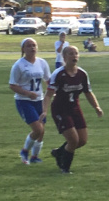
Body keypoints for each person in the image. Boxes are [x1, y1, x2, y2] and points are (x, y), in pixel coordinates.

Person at [43, 45, 103, 174]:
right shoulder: (58, 74)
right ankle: (65, 168)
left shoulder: (82, 74)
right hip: (60, 109)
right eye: (70, 54)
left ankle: (59, 152)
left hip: (75, 108)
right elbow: (48, 94)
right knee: (73, 140)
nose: (74, 56)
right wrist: (44, 111)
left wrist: (96, 107)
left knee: (82, 140)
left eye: (76, 53)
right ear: (64, 57)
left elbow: (88, 92)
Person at [9, 38, 51, 165]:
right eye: (29, 46)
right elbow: (12, 85)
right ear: (23, 49)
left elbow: (48, 80)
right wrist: (27, 93)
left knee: (42, 131)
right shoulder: (19, 65)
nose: (32, 48)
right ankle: (25, 151)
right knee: (37, 129)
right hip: (24, 101)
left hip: (40, 100)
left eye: (34, 45)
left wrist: (53, 91)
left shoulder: (42, 63)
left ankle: (34, 157)